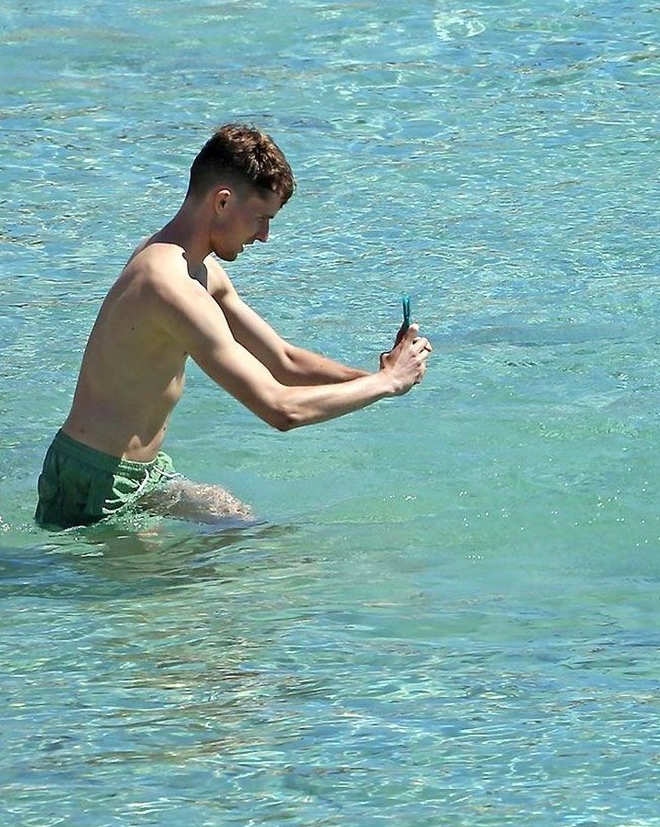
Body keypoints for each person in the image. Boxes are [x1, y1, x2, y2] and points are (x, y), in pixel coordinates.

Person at [35, 123, 432, 530]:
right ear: (223, 202)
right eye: (261, 218)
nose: (264, 236)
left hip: (144, 474)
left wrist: (379, 374)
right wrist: (388, 384)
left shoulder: (197, 269)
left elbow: (284, 360)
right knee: (233, 553)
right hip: (94, 483)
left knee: (239, 523)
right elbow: (280, 409)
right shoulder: (168, 285)